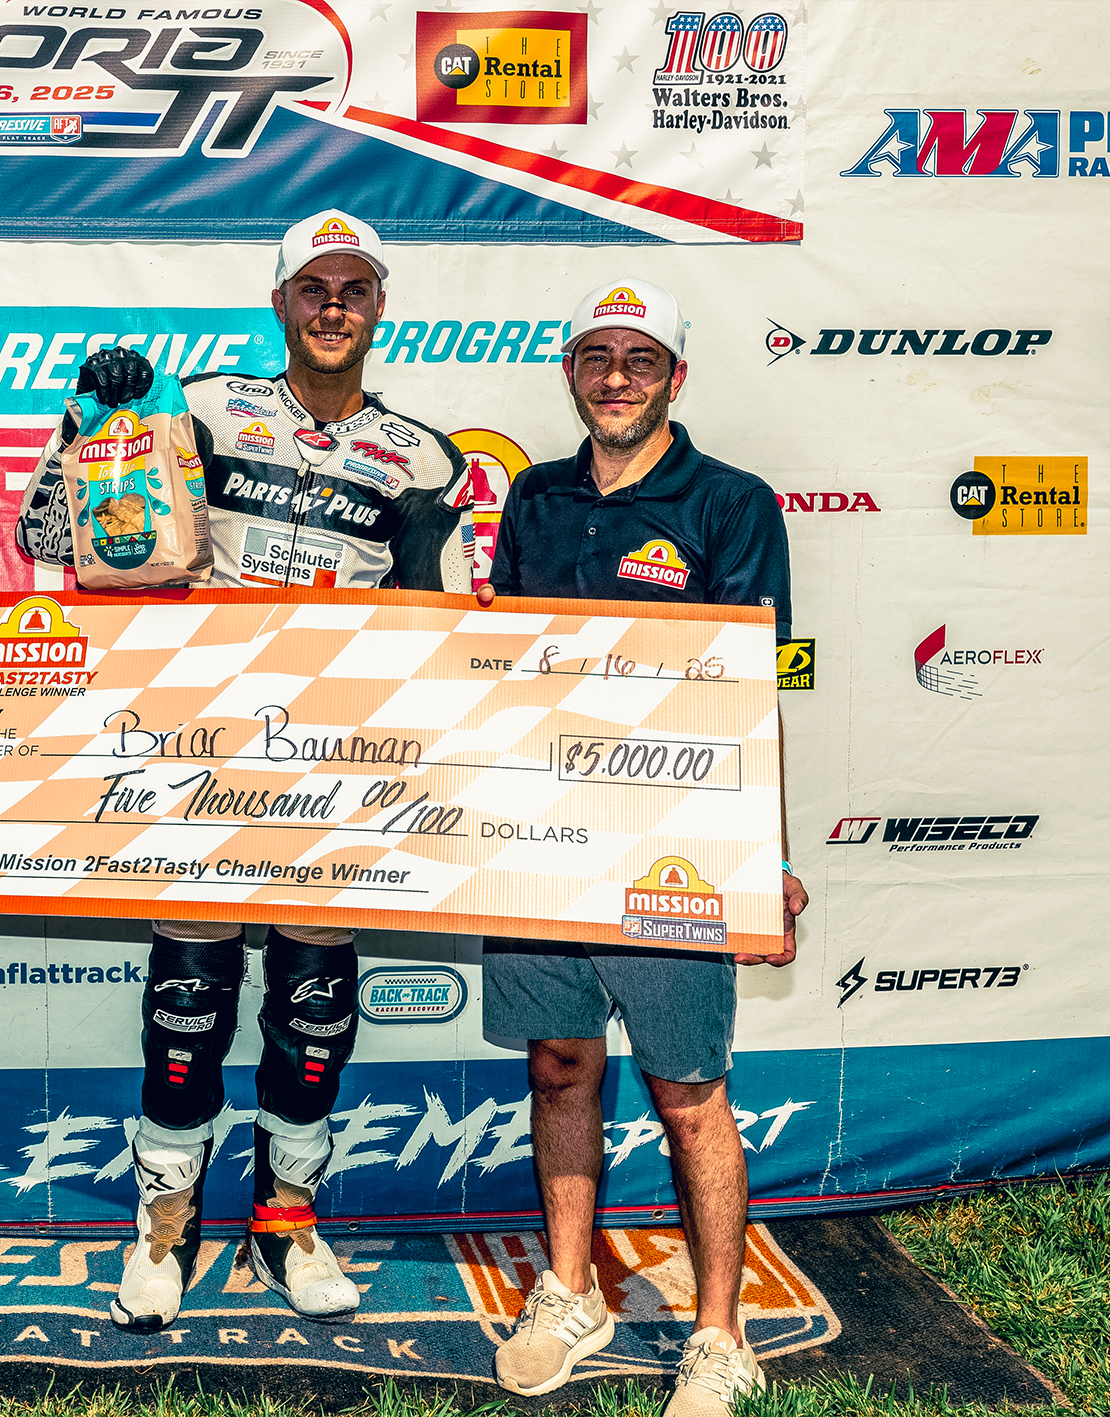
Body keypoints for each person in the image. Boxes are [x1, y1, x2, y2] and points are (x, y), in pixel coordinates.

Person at [15, 210, 472, 1330]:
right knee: (187, 1002)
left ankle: (288, 1224)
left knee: (313, 1007)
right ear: (279, 304)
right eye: (312, 288)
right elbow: (50, 534)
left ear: (377, 307)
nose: (331, 307)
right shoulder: (208, 408)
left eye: (352, 289)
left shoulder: (423, 455)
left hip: (337, 761)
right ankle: (163, 1228)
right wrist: (93, 420)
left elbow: (442, 625)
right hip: (200, 748)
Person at [476, 278, 810, 1416]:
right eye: (595, 356)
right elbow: (498, 677)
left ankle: (718, 1334)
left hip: (674, 844)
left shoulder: (729, 502)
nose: (615, 376)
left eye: (638, 358)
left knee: (686, 1093)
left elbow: (752, 697)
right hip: (539, 837)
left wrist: (760, 861)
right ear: (572, 370)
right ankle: (569, 1291)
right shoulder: (533, 495)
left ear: (675, 374)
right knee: (559, 1065)